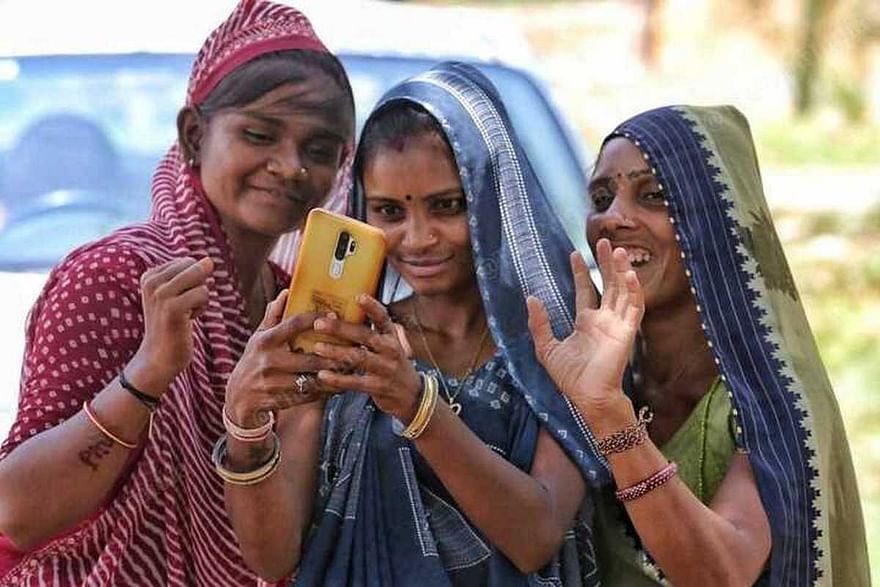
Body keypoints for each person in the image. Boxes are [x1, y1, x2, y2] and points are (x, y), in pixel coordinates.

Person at [0, 1, 355, 584]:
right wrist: (148, 374)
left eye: (319, 151)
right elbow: (18, 513)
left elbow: (277, 551)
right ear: (194, 134)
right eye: (260, 135)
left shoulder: (293, 310)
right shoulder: (116, 279)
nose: (291, 167)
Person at [222, 62, 610, 585]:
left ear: (492, 199)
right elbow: (274, 558)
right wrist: (245, 423)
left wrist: (414, 403)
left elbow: (536, 535)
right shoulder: (348, 343)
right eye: (389, 212)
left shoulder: (553, 343)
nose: (418, 238)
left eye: (447, 206)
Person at [527, 105, 870, 585]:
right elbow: (530, 537)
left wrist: (610, 415)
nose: (613, 218)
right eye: (602, 197)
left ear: (714, 222)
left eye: (653, 196)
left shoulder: (771, 394)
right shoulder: (591, 365)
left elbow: (721, 573)